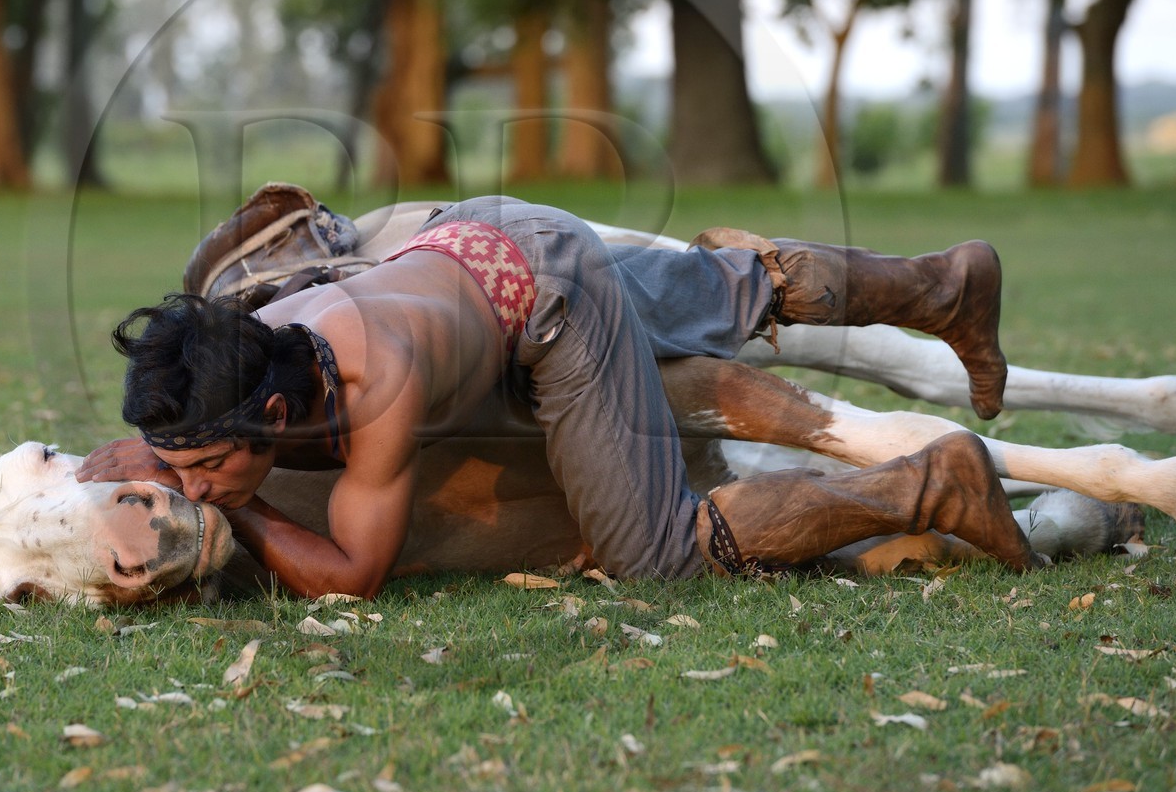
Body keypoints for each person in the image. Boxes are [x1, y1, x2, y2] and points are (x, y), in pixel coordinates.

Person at [78, 197, 1035, 598]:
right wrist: (168, 457)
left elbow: (354, 575)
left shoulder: (378, 387)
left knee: (653, 556)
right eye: (183, 470)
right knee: (727, 293)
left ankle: (927, 488)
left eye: (204, 466)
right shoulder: (266, 349)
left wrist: (238, 513)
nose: (189, 488)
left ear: (275, 419)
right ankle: (942, 286)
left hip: (542, 301)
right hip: (484, 236)